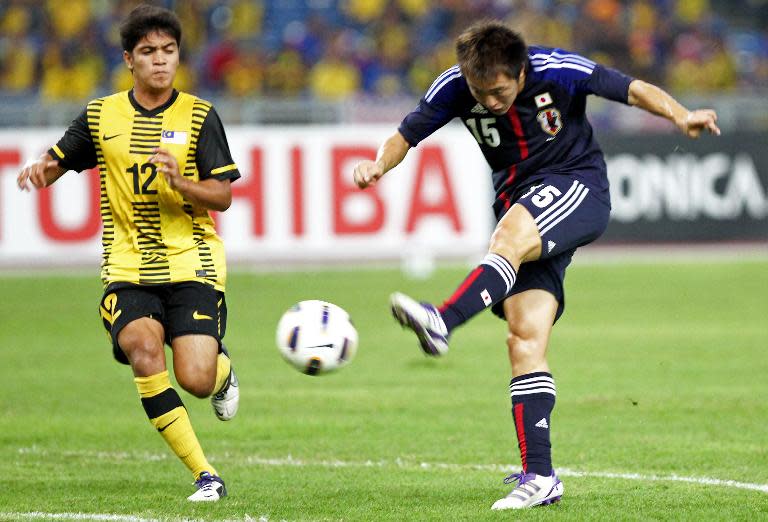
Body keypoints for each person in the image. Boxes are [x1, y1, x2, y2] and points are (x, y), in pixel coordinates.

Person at [353, 20, 720, 510]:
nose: (489, 101)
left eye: (499, 90)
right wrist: (379, 164)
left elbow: (630, 89)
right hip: (516, 196)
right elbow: (406, 133)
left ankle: (442, 320)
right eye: (480, 92)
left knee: (506, 239)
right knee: (524, 337)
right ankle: (541, 476)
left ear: (521, 72)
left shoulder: (558, 69)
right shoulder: (455, 86)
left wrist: (680, 116)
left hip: (575, 183)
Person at [17, 5, 241, 502]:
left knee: (197, 379)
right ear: (129, 60)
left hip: (192, 262)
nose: (160, 61)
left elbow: (223, 194)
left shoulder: (200, 116)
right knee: (143, 350)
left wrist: (182, 182)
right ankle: (206, 474)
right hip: (127, 267)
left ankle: (221, 370)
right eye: (148, 53)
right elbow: (58, 159)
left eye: (168, 51)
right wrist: (40, 170)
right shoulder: (101, 116)